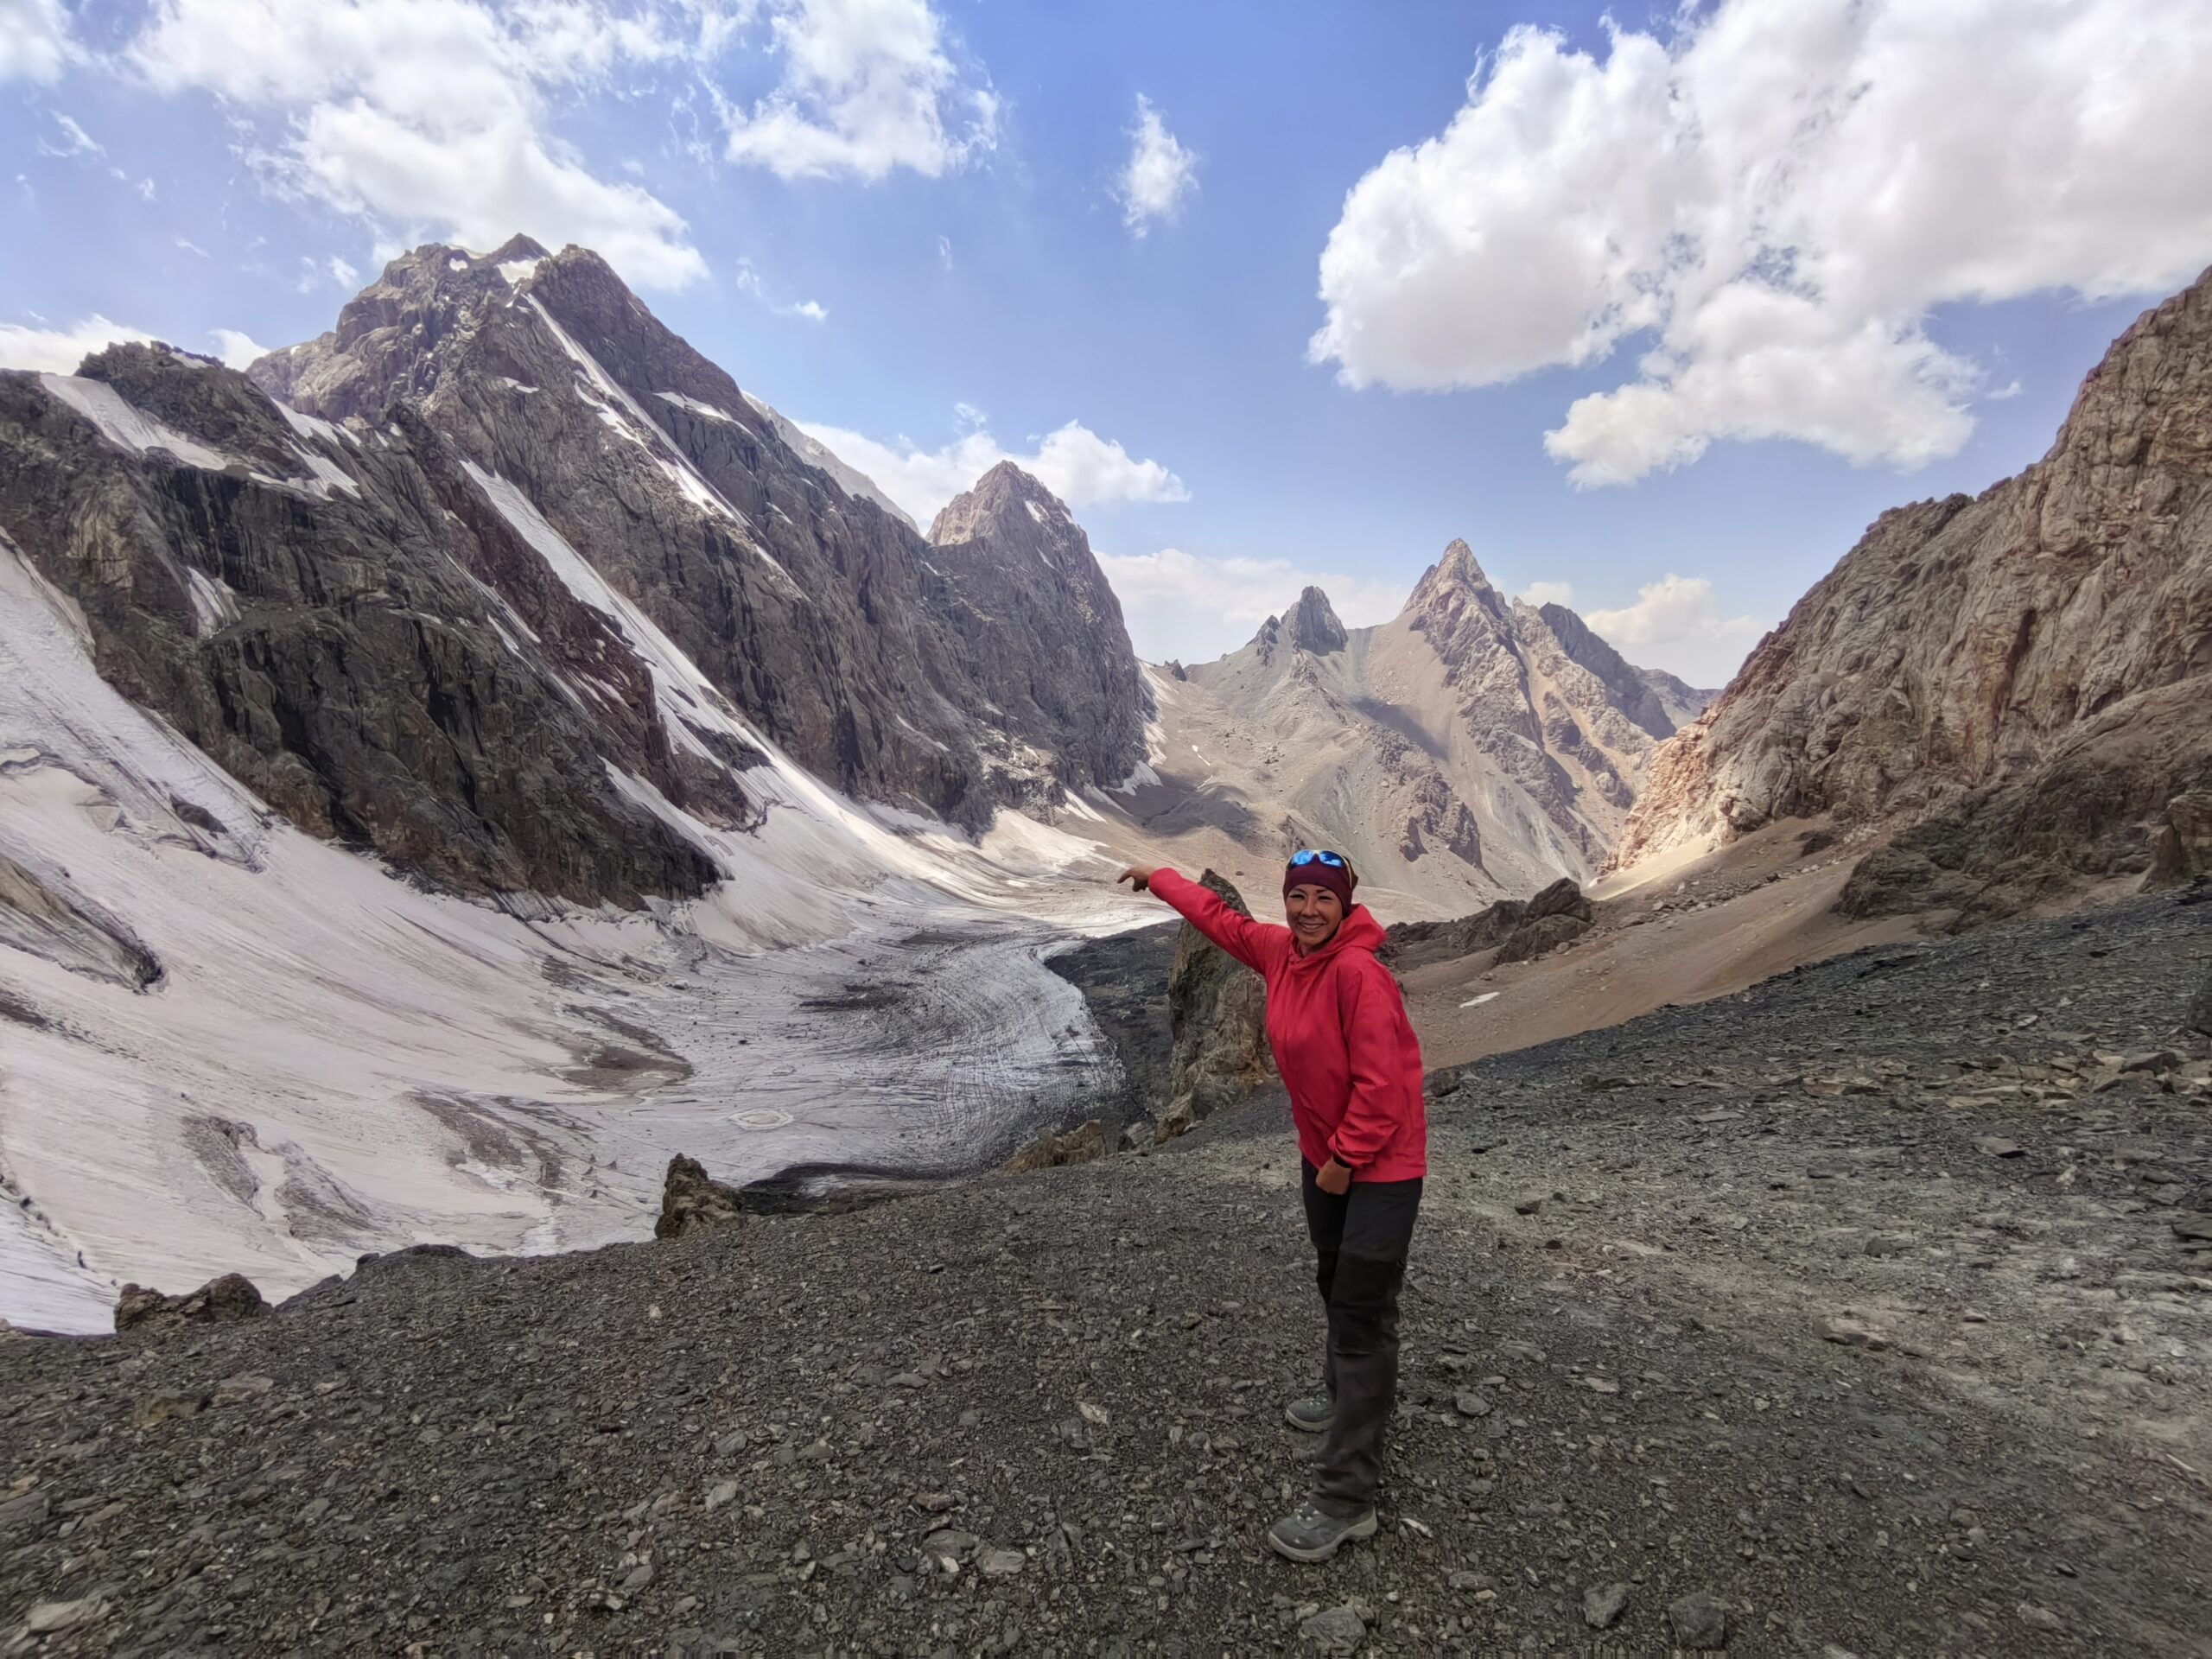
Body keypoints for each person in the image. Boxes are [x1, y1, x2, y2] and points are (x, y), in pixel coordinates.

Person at [1116, 852, 1427, 1562]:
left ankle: (1349, 1499)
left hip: (1379, 1166)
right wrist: (1159, 877)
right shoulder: (1282, 953)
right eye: (1298, 897)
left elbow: (1386, 1087)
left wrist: (1346, 1162)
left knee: (1362, 1313)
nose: (1308, 910)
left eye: (1323, 898)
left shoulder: (1359, 976)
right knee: (1331, 1278)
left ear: (1345, 906)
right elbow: (1219, 922)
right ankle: (1341, 1394)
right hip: (1328, 1161)